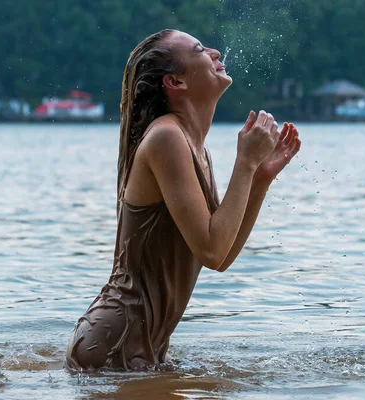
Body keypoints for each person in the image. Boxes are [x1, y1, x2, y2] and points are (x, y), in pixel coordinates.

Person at [65, 29, 301, 371]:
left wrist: (259, 176)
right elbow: (212, 249)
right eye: (201, 50)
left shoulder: (194, 146)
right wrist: (245, 162)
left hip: (134, 347)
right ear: (175, 82)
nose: (217, 53)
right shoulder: (166, 138)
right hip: (112, 344)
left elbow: (221, 255)